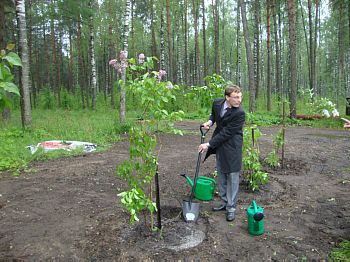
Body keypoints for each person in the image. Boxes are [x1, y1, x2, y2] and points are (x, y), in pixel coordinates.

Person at [198, 84, 245, 222]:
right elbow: (214, 114)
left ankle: (231, 208)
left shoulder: (240, 113)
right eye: (236, 97)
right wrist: (210, 122)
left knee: (232, 175)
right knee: (221, 172)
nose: (239, 100)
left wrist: (208, 144)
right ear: (227, 97)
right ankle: (224, 203)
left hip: (232, 145)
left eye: (240, 97)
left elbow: (227, 133)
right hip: (220, 144)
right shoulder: (218, 103)